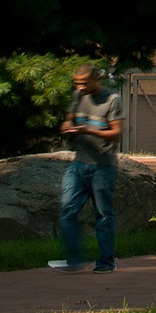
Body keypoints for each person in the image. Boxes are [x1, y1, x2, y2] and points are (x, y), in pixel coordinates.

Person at [48, 65, 123, 274]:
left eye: (84, 83)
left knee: (104, 215)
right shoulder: (77, 96)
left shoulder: (112, 99)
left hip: (103, 166)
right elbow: (67, 121)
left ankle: (106, 263)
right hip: (79, 163)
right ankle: (74, 259)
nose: (80, 87)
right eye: (76, 83)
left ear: (95, 80)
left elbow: (117, 133)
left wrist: (89, 129)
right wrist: (67, 128)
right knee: (67, 209)